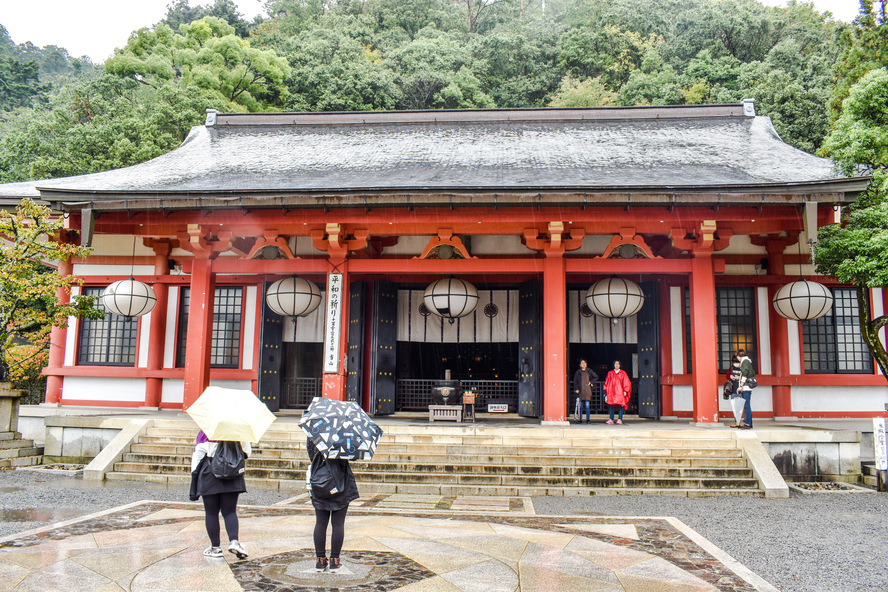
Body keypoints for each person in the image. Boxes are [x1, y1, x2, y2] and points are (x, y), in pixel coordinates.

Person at [189, 430, 252, 559]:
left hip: (209, 472)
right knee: (230, 511)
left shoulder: (206, 431)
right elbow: (247, 453)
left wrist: (194, 477)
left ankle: (215, 547)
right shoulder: (239, 431)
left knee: (211, 512)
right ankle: (234, 541)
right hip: (231, 472)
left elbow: (198, 455)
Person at [307, 438, 359, 573]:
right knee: (338, 523)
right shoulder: (345, 432)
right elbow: (353, 455)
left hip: (320, 480)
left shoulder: (315, 431)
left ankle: (320, 560)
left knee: (320, 522)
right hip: (340, 480)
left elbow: (311, 454)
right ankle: (335, 561)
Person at [603, 360, 632, 425]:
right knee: (611, 405)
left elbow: (626, 382)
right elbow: (606, 382)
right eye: (615, 364)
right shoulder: (610, 373)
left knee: (620, 405)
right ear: (614, 365)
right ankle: (611, 419)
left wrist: (625, 390)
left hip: (620, 392)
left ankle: (620, 418)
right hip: (611, 391)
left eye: (618, 364)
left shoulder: (623, 373)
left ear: (620, 365)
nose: (616, 365)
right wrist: (605, 391)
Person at [572, 359, 599, 424]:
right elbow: (575, 381)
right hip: (580, 391)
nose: (583, 364)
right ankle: (580, 419)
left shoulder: (589, 371)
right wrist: (576, 389)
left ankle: (588, 419)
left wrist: (591, 382)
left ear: (586, 364)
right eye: (582, 363)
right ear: (580, 365)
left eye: (585, 363)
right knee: (580, 407)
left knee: (587, 406)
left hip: (587, 390)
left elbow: (596, 377)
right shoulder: (578, 372)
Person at [737, 349, 755, 429]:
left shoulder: (745, 362)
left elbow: (745, 373)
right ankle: (747, 422)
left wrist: (741, 385)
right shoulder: (747, 361)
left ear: (739, 356)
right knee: (746, 405)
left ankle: (748, 423)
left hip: (746, 387)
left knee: (746, 405)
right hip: (746, 387)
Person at [726, 356, 744, 428]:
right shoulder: (732, 368)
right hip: (733, 388)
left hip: (741, 388)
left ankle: (743, 421)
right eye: (734, 362)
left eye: (736, 362)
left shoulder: (743, 367)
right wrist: (730, 376)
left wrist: (739, 378)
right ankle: (736, 421)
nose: (735, 364)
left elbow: (746, 375)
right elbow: (727, 375)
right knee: (735, 406)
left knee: (742, 406)